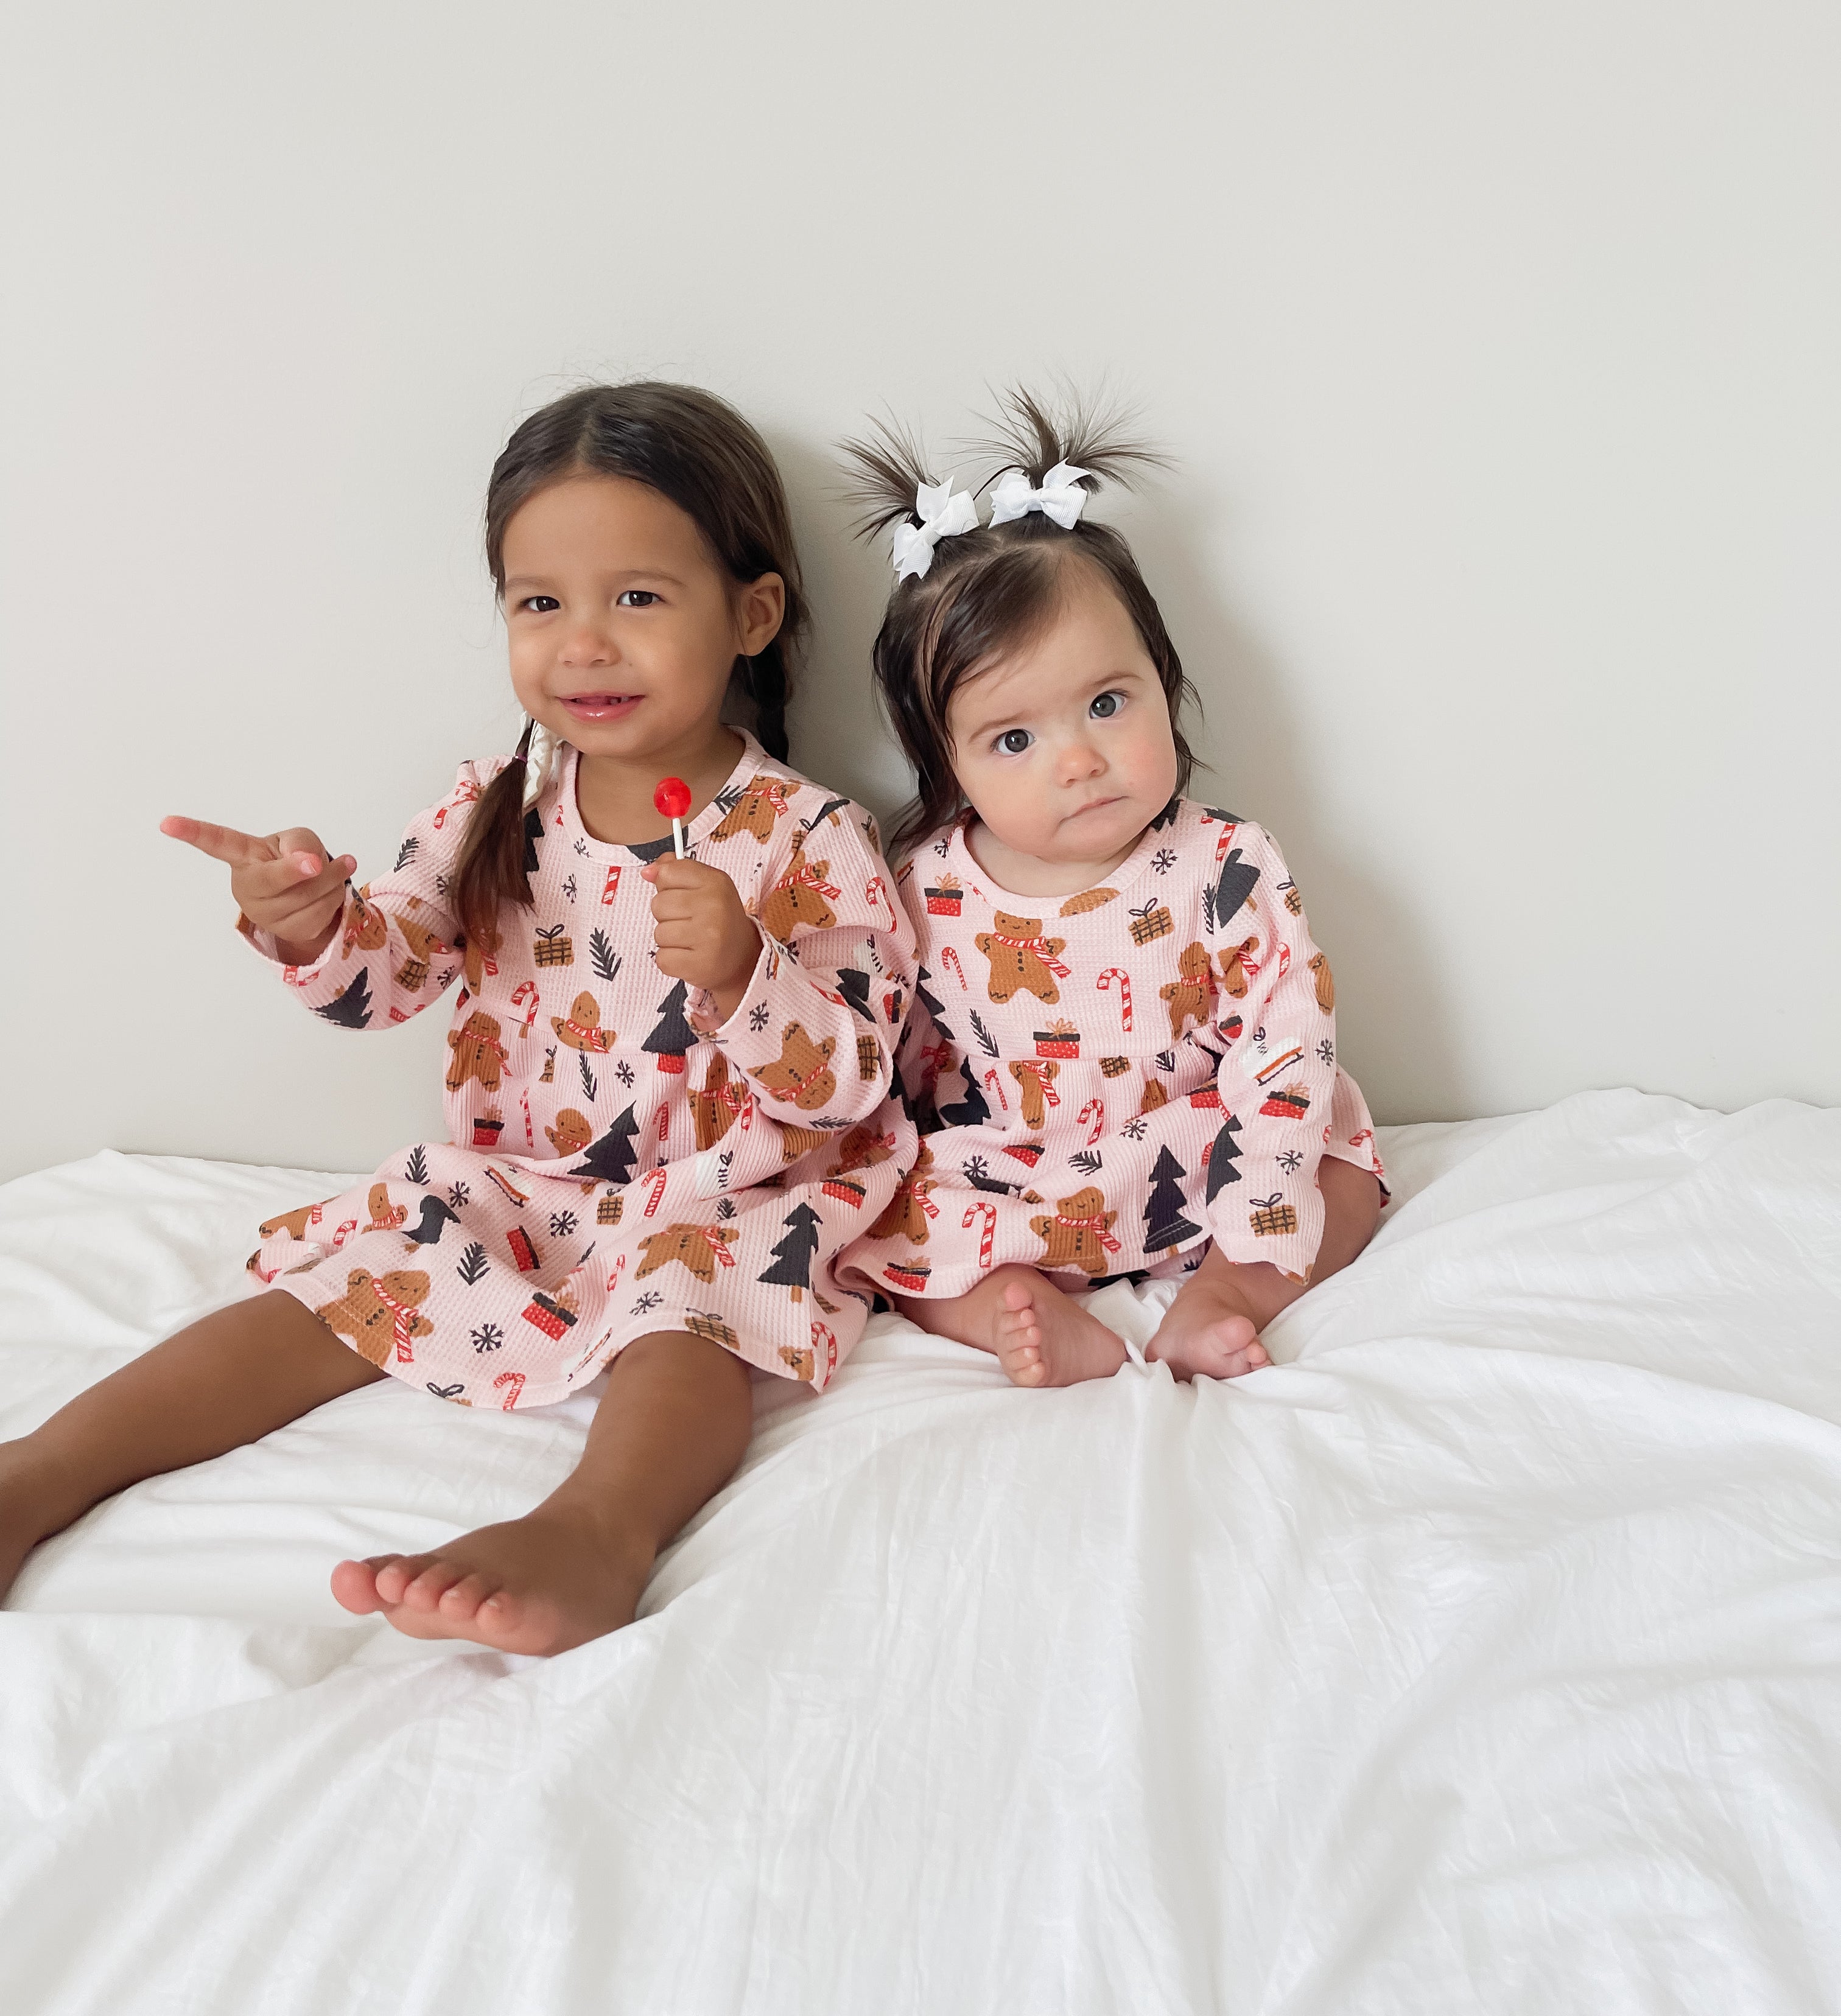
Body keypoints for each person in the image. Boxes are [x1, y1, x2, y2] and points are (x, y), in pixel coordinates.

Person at [0, 382, 915, 1654]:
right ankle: (36, 1473)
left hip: (722, 1195)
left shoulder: (808, 835)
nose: (583, 644)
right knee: (358, 1269)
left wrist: (749, 975)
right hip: (525, 1185)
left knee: (695, 1303)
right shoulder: (501, 799)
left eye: (638, 598)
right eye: (541, 603)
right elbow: (393, 974)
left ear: (752, 614)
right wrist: (312, 918)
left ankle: (593, 1533)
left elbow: (855, 1080)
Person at [836, 393, 1384, 1388]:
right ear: (949, 768)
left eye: (1105, 703)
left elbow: (1286, 1041)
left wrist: (1265, 1186)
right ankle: (1019, 1312)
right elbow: (901, 1072)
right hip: (1020, 1174)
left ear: (1162, 687)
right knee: (879, 1218)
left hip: (1197, 1140)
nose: (1078, 761)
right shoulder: (926, 890)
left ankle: (1226, 1296)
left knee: (1344, 1163)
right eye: (1015, 739)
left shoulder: (1225, 863)